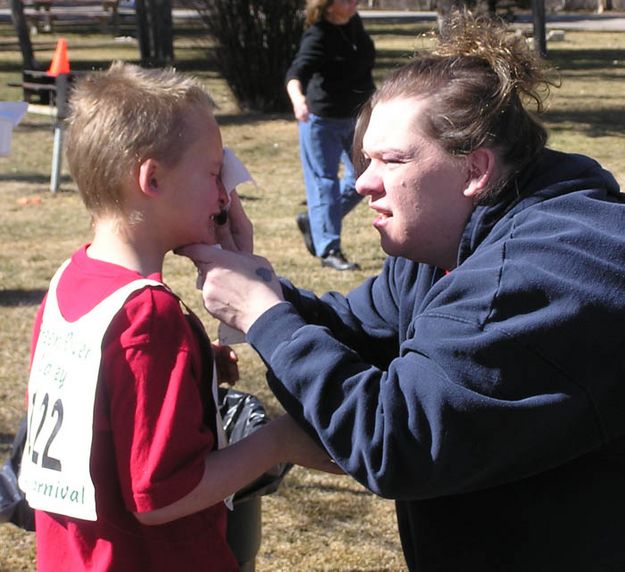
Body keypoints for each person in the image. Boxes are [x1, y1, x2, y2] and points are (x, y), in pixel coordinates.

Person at [180, 12, 625, 571]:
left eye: (392, 161)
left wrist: (265, 318)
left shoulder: (536, 276)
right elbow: (355, 337)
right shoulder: (440, 248)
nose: (364, 182)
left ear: (476, 170)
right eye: (366, 158)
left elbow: (395, 440)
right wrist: (257, 285)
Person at [17, 62, 338, 572]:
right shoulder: (149, 315)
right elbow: (160, 497)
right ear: (153, 178)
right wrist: (278, 441)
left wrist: (194, 368)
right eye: (214, 174)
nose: (223, 196)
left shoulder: (70, 280)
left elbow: (93, 401)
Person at [286, 0, 375, 271]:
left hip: (355, 116)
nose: (353, 3)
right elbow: (296, 72)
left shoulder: (354, 24)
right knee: (324, 182)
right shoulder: (318, 34)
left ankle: (316, 221)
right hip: (321, 119)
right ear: (327, 5)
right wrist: (297, 100)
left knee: (364, 176)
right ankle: (329, 250)